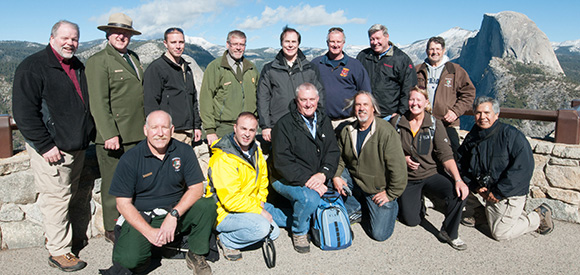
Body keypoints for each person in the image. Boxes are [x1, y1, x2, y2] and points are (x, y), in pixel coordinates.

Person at [12, 20, 94, 272]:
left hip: (76, 146)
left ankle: (61, 240)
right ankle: (59, 252)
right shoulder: (33, 66)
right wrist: (45, 145)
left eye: (75, 39)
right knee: (56, 199)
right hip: (53, 149)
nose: (70, 43)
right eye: (65, 38)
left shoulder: (77, 65)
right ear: (52, 37)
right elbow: (24, 113)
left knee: (67, 196)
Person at [109, 110, 217, 274]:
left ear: (172, 130)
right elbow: (122, 203)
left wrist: (174, 215)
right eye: (154, 128)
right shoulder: (131, 158)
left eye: (164, 128)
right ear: (146, 130)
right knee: (128, 260)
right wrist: (149, 232)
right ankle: (149, 250)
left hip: (174, 213)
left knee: (207, 205)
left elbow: (196, 188)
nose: (160, 133)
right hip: (145, 217)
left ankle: (196, 253)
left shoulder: (183, 151)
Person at [457, 96, 554, 241]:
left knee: (500, 233)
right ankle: (482, 213)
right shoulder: (473, 137)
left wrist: (498, 192)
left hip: (508, 193)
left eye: (487, 113)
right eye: (478, 113)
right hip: (485, 190)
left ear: (496, 115)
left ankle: (538, 216)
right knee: (456, 183)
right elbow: (460, 163)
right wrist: (474, 186)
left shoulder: (511, 136)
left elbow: (523, 169)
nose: (482, 117)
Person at [86, 12, 145, 242]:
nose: (122, 36)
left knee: (135, 181)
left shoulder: (134, 58)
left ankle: (133, 220)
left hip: (136, 133)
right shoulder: (98, 61)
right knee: (113, 183)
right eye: (118, 32)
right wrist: (110, 133)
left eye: (126, 33)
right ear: (108, 33)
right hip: (115, 136)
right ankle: (112, 228)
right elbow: (98, 102)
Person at [391, 86, 469, 250]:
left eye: (419, 100)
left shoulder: (434, 124)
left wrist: (458, 180)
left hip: (430, 174)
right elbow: (387, 149)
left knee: (458, 193)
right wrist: (402, 158)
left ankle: (449, 232)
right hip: (408, 178)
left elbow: (445, 155)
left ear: (426, 102)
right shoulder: (398, 122)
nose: (414, 103)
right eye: (412, 99)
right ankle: (419, 202)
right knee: (411, 220)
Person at [205, 112, 285, 261]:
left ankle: (245, 232)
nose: (247, 134)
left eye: (251, 130)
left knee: (273, 233)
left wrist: (261, 201)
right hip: (223, 212)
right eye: (243, 129)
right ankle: (226, 240)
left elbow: (263, 179)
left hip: (247, 206)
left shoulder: (255, 151)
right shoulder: (223, 157)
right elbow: (231, 200)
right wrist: (259, 211)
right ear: (235, 128)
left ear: (256, 131)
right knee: (262, 228)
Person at [270, 83, 339, 253]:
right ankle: (299, 231)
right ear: (296, 101)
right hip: (284, 177)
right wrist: (309, 180)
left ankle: (289, 215)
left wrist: (323, 175)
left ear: (317, 100)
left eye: (311, 100)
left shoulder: (324, 120)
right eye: (303, 100)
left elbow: (332, 151)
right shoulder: (284, 125)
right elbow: (282, 162)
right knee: (310, 199)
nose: (308, 104)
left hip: (316, 176)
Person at [332, 91, 407, 242]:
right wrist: (336, 176)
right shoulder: (348, 130)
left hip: (378, 188)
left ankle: (391, 207)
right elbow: (339, 159)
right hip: (356, 180)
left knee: (379, 234)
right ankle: (359, 206)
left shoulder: (386, 132)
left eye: (365, 104)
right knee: (329, 180)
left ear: (373, 108)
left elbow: (398, 168)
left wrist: (391, 194)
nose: (361, 108)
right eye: (358, 105)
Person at [257, 26, 325, 142]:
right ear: (281, 43)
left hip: (305, 125)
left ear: (298, 44)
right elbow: (263, 98)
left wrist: (318, 121)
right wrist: (265, 126)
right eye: (287, 41)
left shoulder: (310, 69)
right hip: (278, 125)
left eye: (294, 41)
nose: (290, 45)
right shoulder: (269, 69)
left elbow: (320, 96)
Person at [416, 36, 475, 154]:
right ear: (427, 51)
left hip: (448, 124)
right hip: (422, 122)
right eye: (431, 49)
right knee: (423, 154)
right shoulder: (418, 70)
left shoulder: (455, 70)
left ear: (443, 51)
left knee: (450, 154)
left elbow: (469, 94)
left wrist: (456, 111)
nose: (434, 52)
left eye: (438, 49)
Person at [200, 30, 259, 146]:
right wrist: (210, 130)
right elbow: (206, 98)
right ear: (228, 45)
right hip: (224, 128)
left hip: (248, 129)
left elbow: (259, 96)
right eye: (235, 44)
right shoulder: (216, 67)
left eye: (242, 44)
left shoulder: (251, 68)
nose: (238, 48)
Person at [144, 27, 202, 145]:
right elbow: (151, 103)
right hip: (169, 131)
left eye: (181, 42)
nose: (178, 46)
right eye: (173, 42)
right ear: (165, 44)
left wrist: (196, 126)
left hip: (188, 130)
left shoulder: (186, 68)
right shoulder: (156, 69)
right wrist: (158, 130)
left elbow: (193, 99)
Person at [311, 27, 371, 128]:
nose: (335, 45)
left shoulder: (355, 65)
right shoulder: (316, 64)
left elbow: (366, 93)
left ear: (343, 43)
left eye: (338, 41)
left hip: (349, 121)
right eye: (332, 41)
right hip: (322, 121)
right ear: (327, 43)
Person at [357, 24, 416, 120]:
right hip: (365, 113)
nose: (375, 42)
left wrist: (400, 113)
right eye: (372, 39)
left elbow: (408, 88)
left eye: (378, 38)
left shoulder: (401, 59)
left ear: (387, 37)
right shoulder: (363, 56)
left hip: (389, 116)